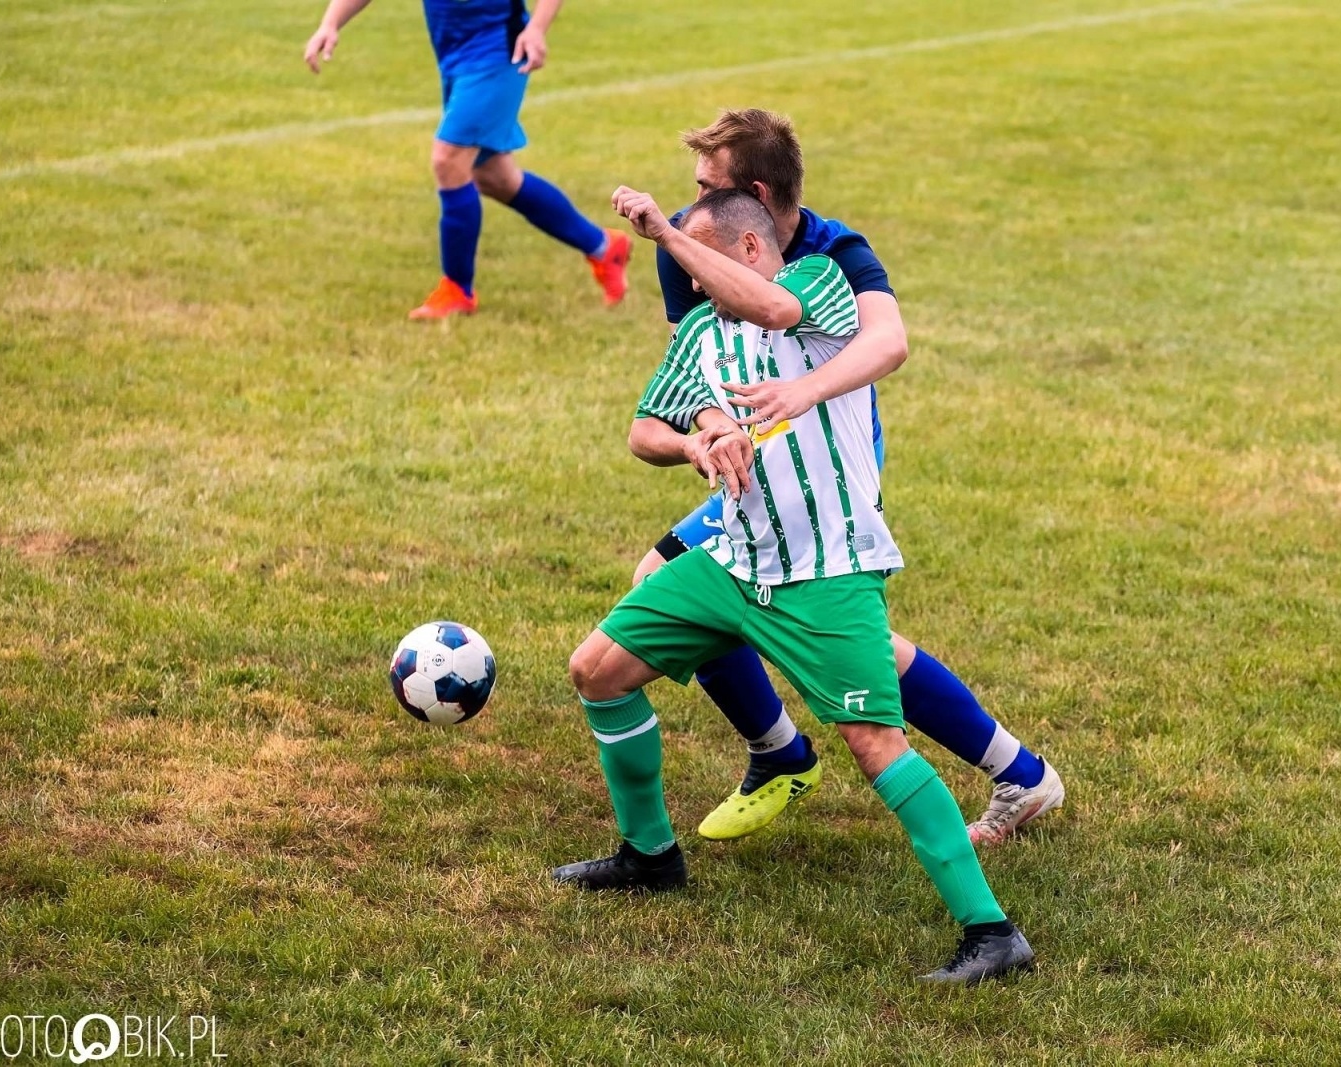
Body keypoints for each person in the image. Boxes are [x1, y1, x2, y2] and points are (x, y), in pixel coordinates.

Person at [555, 188, 1034, 984]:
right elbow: (645, 427)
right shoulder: (703, 331)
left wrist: (668, 234)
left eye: (702, 265)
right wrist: (698, 442)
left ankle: (991, 932)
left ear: (747, 249)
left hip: (827, 569)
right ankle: (650, 855)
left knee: (874, 741)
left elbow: (772, 308)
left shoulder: (814, 289)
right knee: (597, 669)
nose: (694, 286)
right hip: (733, 562)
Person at [636, 110, 1062, 846]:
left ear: (758, 200)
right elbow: (693, 356)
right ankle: (1017, 771)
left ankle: (781, 753)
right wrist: (708, 427)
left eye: (709, 185)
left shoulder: (835, 249)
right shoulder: (690, 241)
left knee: (711, 591)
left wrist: (804, 393)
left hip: (831, 468)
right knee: (805, 620)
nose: (692, 201)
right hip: (754, 465)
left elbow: (889, 341)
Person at [303, 0, 631, 319]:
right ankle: (604, 247)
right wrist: (330, 23)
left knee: (448, 159)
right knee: (495, 177)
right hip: (453, 55)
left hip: (501, 50)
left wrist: (537, 28)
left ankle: (457, 289)